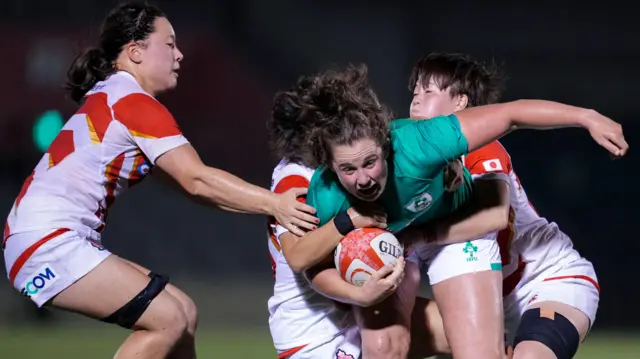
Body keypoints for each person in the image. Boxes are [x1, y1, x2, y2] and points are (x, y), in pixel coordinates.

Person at [2, 3, 316, 359]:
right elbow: (196, 179)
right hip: (47, 243)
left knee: (183, 312)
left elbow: (190, 185)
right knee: (167, 319)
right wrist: (275, 202)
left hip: (41, 238)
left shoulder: (113, 94)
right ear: (135, 52)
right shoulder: (134, 102)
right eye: (169, 45)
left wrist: (259, 203)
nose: (179, 55)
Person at [267, 63, 626, 359]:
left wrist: (587, 117)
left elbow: (512, 120)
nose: (362, 180)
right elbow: (305, 260)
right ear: (328, 165)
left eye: (371, 162)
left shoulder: (426, 142)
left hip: (492, 255)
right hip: (412, 243)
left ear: (384, 144)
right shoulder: (326, 191)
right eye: (348, 170)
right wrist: (353, 251)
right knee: (381, 346)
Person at [405, 53, 600, 359]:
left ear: (460, 103)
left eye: (428, 91)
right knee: (370, 335)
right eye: (415, 90)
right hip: (486, 301)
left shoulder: (479, 146)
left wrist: (418, 236)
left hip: (547, 280)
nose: (416, 98)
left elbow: (492, 216)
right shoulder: (406, 162)